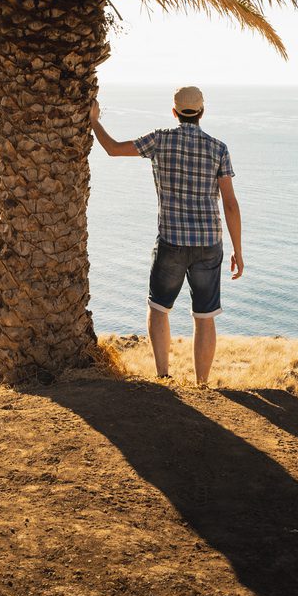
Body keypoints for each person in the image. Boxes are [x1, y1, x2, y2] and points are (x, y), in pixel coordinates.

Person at [90, 86, 244, 386]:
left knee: (159, 308)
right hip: (208, 244)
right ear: (202, 112)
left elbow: (112, 148)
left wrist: (94, 121)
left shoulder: (159, 140)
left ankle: (163, 377)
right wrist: (238, 251)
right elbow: (230, 204)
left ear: (174, 112)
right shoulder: (219, 148)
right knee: (205, 315)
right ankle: (202, 384)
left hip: (171, 241)